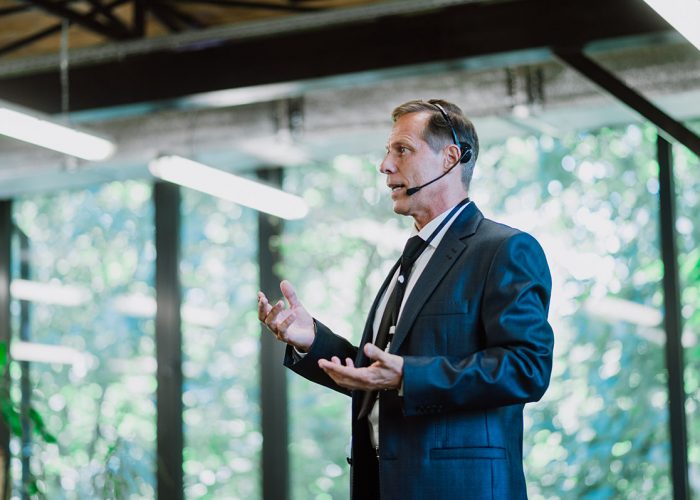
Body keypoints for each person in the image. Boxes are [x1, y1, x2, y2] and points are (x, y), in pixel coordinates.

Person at [258, 99, 554, 499]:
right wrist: (311, 340)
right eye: (387, 151)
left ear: (450, 158)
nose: (385, 165)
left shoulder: (504, 249)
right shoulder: (411, 259)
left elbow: (527, 367)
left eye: (402, 149)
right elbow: (377, 375)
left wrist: (409, 376)